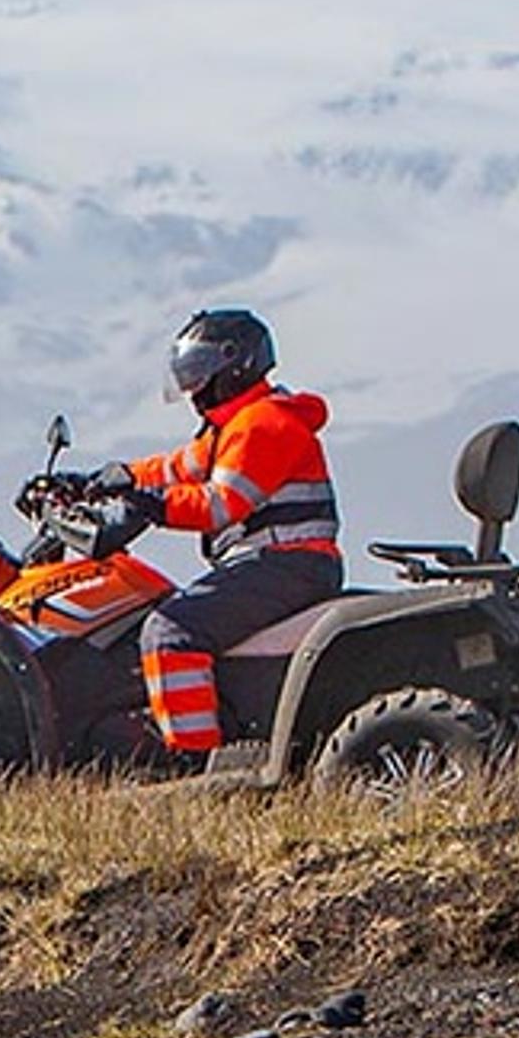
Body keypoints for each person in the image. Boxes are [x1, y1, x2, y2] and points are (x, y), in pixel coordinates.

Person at [88, 308, 342, 762]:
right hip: (276, 564)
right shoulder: (231, 425)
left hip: (287, 563)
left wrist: (152, 506)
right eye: (188, 371)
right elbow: (176, 467)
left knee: (170, 631)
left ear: (236, 363)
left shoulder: (264, 423)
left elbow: (219, 505)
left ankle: (196, 760)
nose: (193, 385)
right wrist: (117, 476)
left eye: (200, 369)